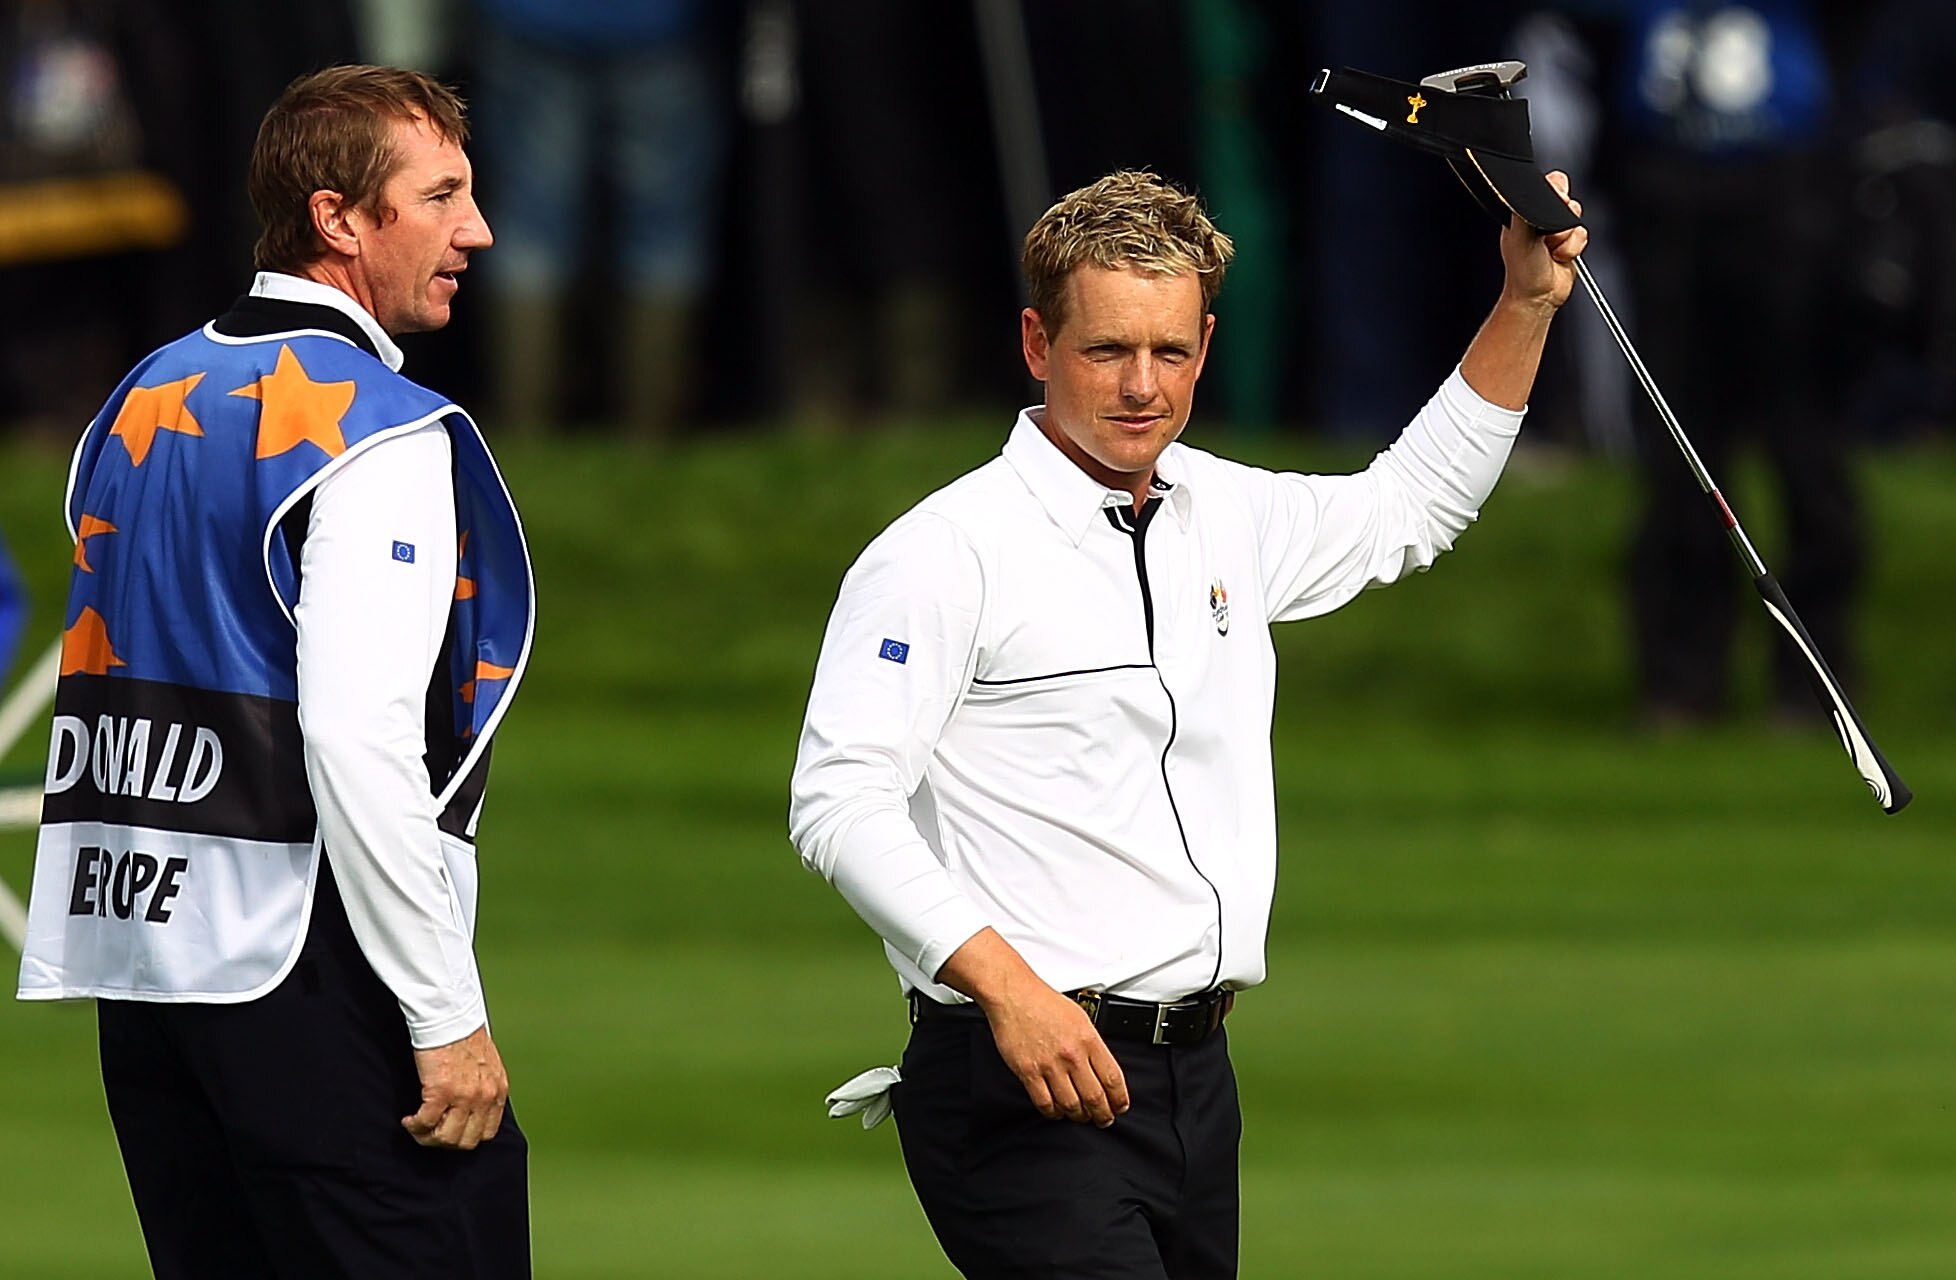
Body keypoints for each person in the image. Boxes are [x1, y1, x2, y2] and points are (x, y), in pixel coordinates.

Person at [789, 169, 1586, 1277]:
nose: (1141, 386)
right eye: (1107, 350)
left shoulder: (1224, 511)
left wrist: (1527, 304)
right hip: (1023, 1078)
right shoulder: (941, 552)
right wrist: (1008, 989)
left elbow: (1408, 509)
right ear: (1037, 342)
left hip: (1197, 1081)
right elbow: (839, 801)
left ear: (1206, 345)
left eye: (1170, 352)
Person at [14, 65, 534, 1279]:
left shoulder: (139, 395)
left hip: (140, 971)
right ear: (337, 217)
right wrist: (444, 1013)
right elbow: (358, 738)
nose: (477, 231)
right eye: (441, 195)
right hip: (305, 961)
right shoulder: (379, 427)